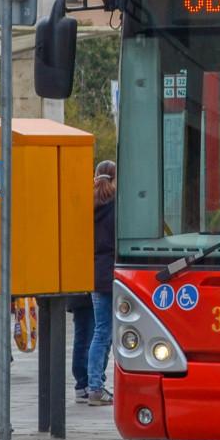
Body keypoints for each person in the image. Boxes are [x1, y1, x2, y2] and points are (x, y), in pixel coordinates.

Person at [86, 164, 117, 406]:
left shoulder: (88, 205)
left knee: (101, 331)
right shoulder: (117, 208)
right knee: (108, 332)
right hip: (113, 273)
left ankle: (95, 385)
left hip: (94, 274)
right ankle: (96, 386)